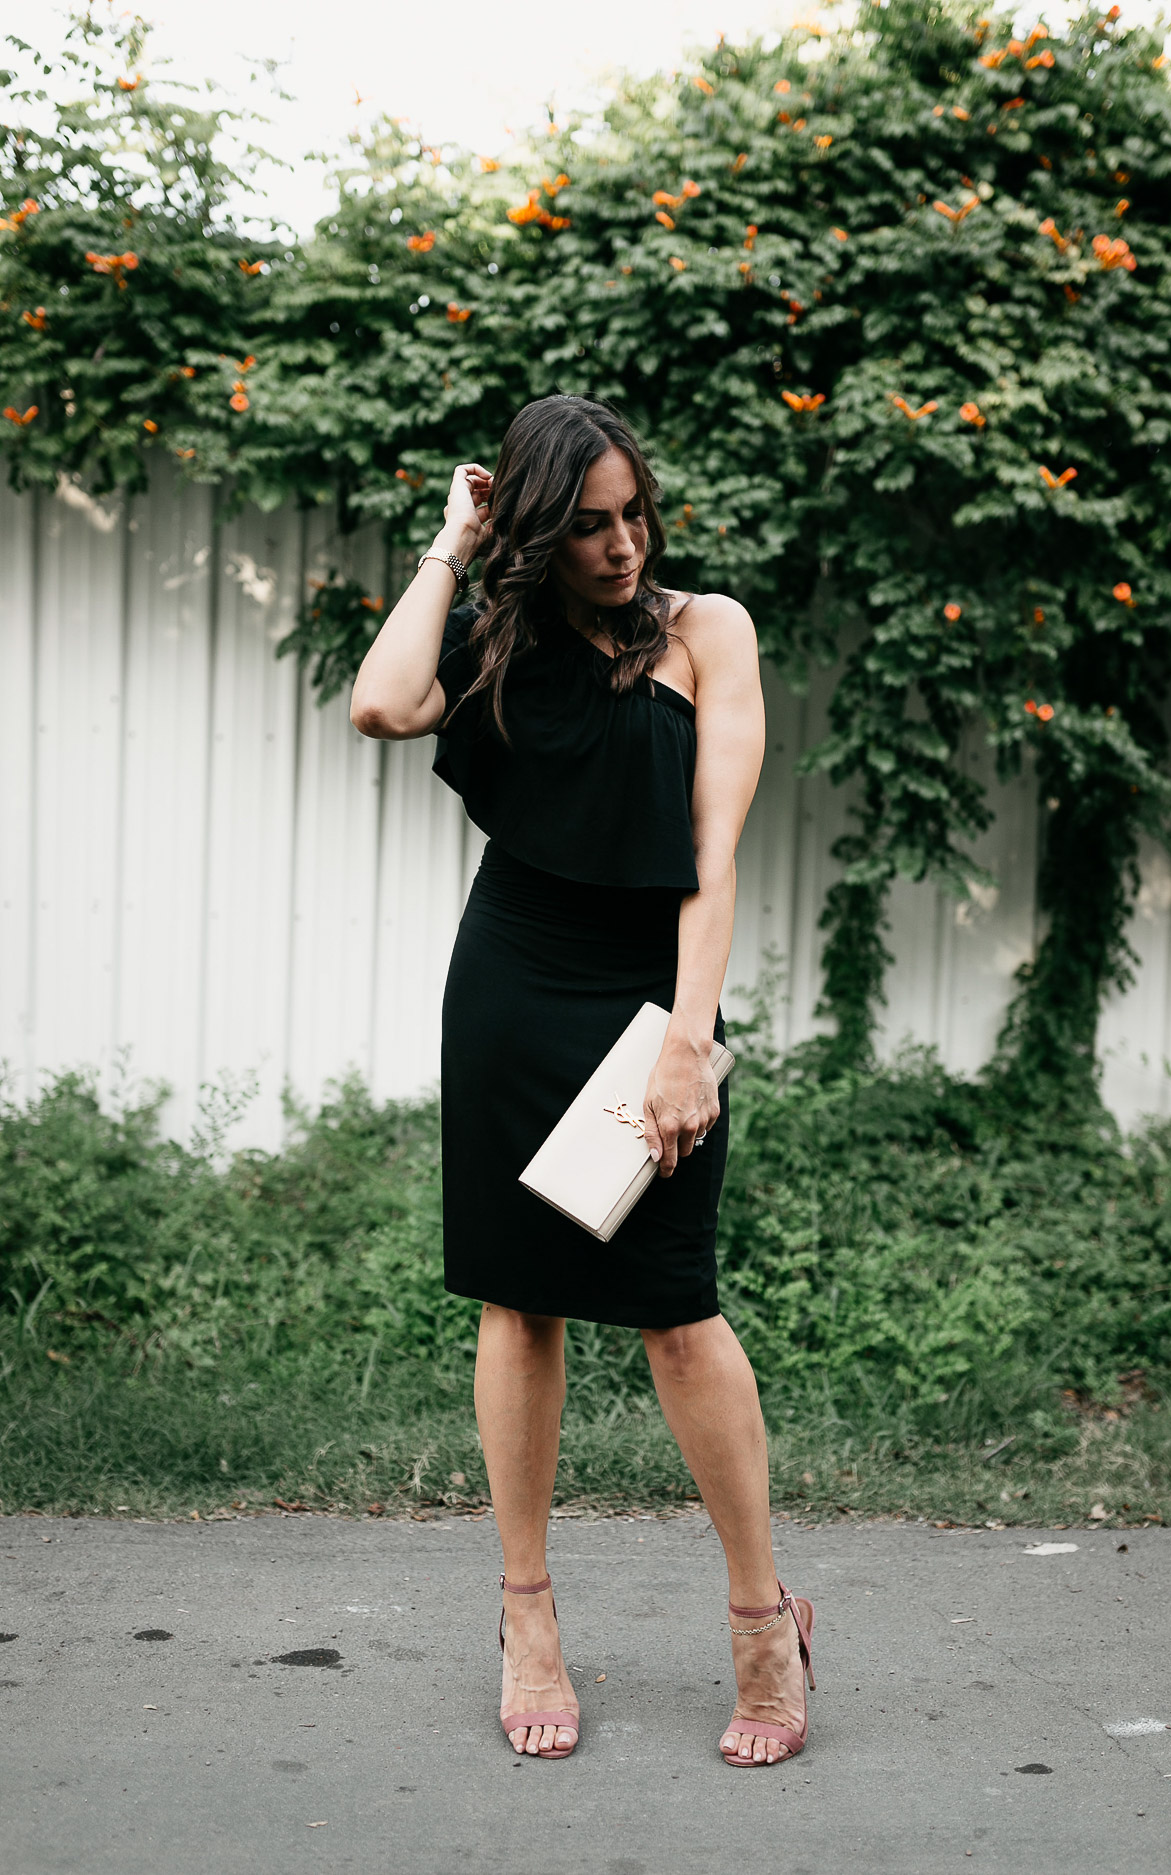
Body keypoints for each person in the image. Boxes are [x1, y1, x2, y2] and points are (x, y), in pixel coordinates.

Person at [350, 395, 814, 1769]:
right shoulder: (496, 636)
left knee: (677, 1311)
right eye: (591, 524)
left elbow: (714, 860)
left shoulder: (705, 631)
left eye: (635, 516)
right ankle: (527, 1618)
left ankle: (761, 1623)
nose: (622, 546)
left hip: (645, 997)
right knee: (521, 1300)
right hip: (512, 983)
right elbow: (381, 701)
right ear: (542, 529)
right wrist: (451, 542)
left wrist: (686, 1038)